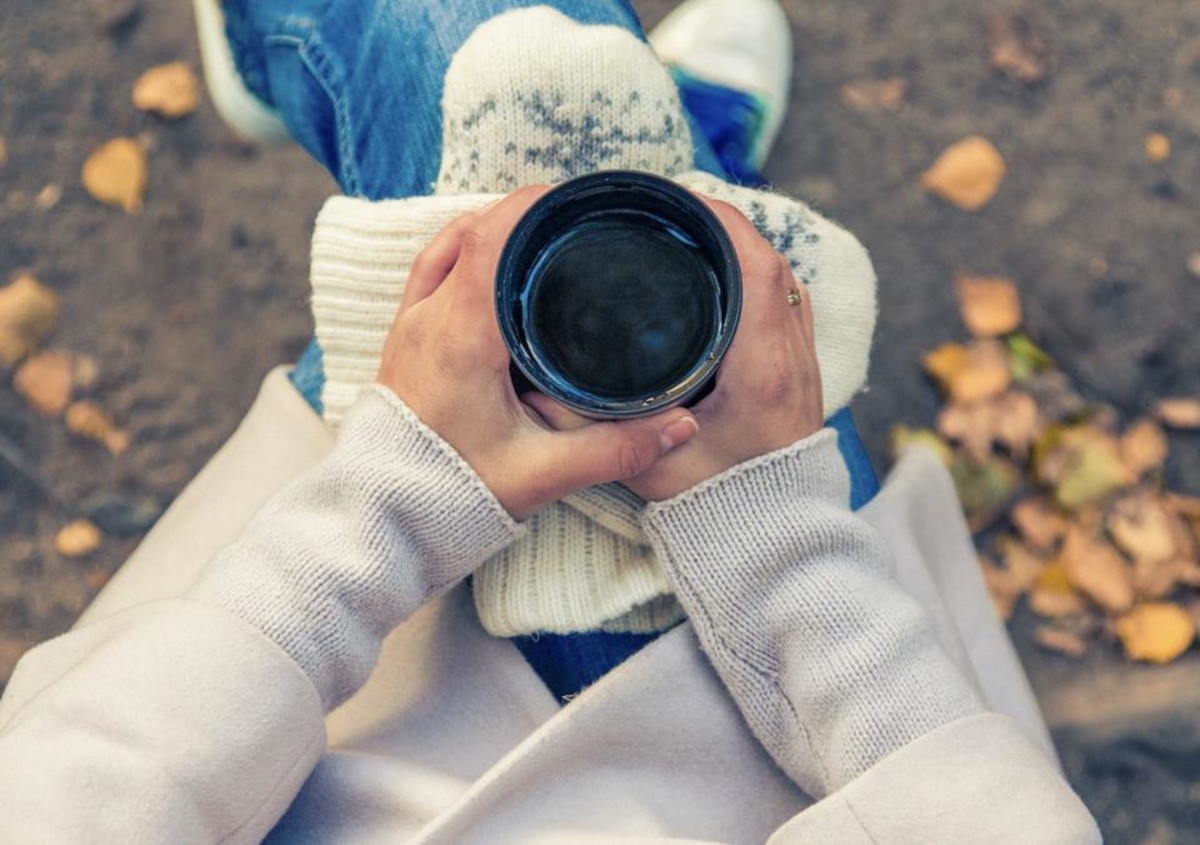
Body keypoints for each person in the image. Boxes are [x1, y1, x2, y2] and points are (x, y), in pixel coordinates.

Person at [0, 1, 1100, 842]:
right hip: (825, 750)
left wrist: (395, 498)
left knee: (489, 57)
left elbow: (73, 796)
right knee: (642, 206)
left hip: (321, 741)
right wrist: (771, 540)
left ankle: (691, 151)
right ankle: (709, 150)